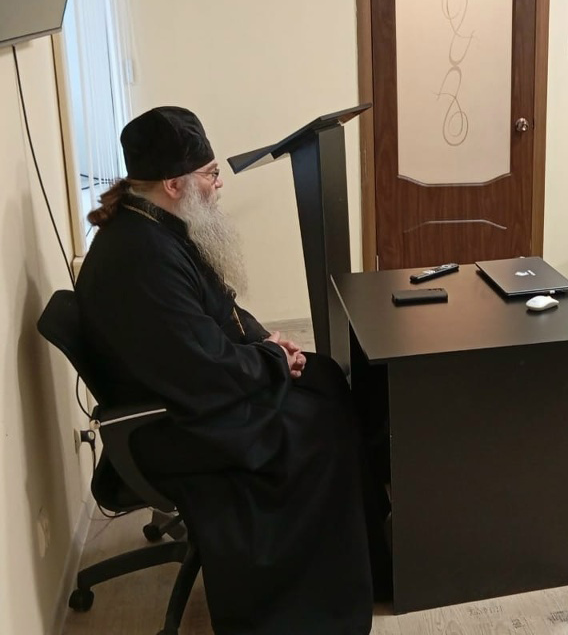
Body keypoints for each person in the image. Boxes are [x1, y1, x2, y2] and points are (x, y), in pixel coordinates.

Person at [75, 106, 388, 634]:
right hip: (173, 426)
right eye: (211, 174)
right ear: (174, 184)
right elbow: (200, 367)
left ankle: (372, 560)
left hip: (189, 395)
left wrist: (267, 341)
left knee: (327, 378)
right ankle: (317, 606)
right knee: (320, 427)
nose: (218, 184)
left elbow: (218, 309)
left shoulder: (155, 225)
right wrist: (272, 360)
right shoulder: (140, 256)